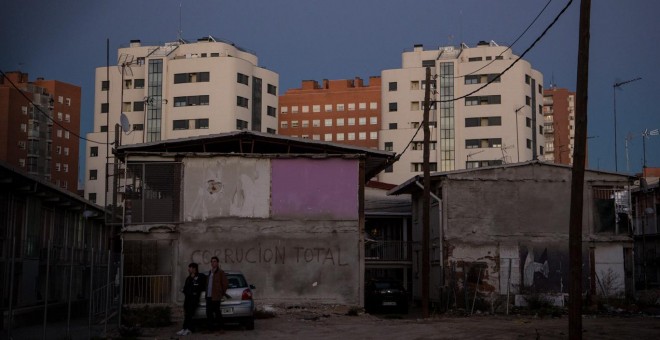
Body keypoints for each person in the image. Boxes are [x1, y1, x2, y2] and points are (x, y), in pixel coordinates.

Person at [177, 262, 205, 336]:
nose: (188, 269)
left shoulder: (199, 277)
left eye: (190, 268)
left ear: (194, 269)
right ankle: (184, 328)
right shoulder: (188, 278)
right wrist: (185, 290)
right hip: (187, 299)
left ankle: (189, 329)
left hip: (194, 299)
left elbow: (199, 287)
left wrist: (194, 292)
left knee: (190, 314)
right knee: (186, 314)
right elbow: (186, 288)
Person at [205, 256, 228, 332]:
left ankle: (221, 328)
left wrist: (221, 293)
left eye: (214, 261)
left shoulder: (220, 272)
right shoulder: (210, 272)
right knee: (209, 313)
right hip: (209, 296)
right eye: (212, 261)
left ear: (217, 263)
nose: (213, 263)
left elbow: (225, 283)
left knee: (217, 312)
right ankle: (210, 328)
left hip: (216, 296)